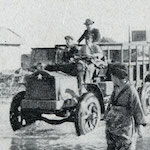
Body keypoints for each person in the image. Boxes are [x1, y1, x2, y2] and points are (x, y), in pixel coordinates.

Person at [104, 63, 146, 150]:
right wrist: (107, 116)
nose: (111, 78)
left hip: (124, 129)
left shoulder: (131, 90)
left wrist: (139, 127)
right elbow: (111, 104)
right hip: (112, 127)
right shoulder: (116, 88)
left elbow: (137, 107)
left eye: (112, 76)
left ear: (116, 77)